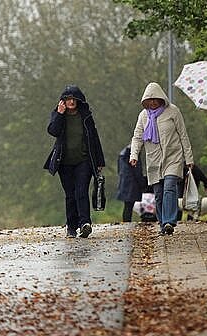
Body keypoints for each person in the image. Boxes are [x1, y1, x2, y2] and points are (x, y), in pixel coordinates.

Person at [129, 82, 194, 235]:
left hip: (173, 157)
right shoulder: (143, 116)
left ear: (161, 98)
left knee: (170, 187)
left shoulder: (173, 111)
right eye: (149, 100)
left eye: (155, 99)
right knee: (158, 194)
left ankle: (169, 221)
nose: (152, 103)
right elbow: (137, 138)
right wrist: (134, 155)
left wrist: (189, 158)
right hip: (153, 160)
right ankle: (162, 223)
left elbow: (183, 135)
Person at [43, 85, 105, 238]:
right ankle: (71, 227)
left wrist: (99, 160)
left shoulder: (86, 117)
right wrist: (59, 113)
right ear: (63, 101)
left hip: (84, 161)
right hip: (64, 163)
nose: (71, 101)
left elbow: (94, 138)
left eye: (73, 99)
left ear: (79, 100)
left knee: (81, 191)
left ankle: (85, 223)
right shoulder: (59, 115)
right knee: (70, 194)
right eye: (68, 99)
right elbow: (53, 131)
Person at [116, 144, 146, 222]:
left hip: (125, 181)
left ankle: (126, 221)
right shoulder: (132, 152)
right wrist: (142, 182)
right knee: (129, 205)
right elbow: (137, 170)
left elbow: (119, 169)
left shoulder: (123, 152)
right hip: (132, 183)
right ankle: (127, 221)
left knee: (127, 205)